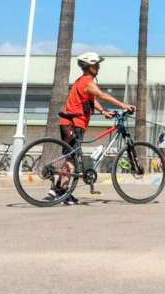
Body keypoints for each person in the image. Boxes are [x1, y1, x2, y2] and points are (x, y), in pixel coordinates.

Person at [52, 52, 135, 205]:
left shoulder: (83, 82)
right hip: (73, 123)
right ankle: (56, 191)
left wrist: (103, 112)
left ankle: (62, 192)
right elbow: (102, 95)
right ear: (89, 66)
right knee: (72, 159)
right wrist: (124, 105)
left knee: (73, 158)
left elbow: (92, 101)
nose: (98, 67)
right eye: (96, 64)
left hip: (75, 123)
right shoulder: (87, 82)